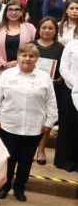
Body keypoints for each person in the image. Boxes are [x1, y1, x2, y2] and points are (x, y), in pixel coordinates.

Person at [0, 44, 57, 201]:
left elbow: (51, 102)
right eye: (24, 55)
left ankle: (20, 188)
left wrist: (50, 121)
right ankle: (5, 186)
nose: (27, 59)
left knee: (25, 162)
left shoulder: (44, 77)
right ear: (18, 57)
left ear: (37, 59)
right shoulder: (7, 75)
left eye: (31, 56)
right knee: (8, 160)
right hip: (8, 126)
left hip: (34, 127)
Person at [0, 0, 37, 93]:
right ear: (5, 12)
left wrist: (17, 62)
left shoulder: (30, 28)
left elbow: (35, 49)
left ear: (21, 12)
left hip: (22, 71)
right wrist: (4, 64)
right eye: (10, 9)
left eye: (17, 10)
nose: (13, 12)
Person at [33, 17, 65, 165]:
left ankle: (41, 150)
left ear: (55, 31)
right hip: (30, 88)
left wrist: (60, 78)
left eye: (50, 28)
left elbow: (64, 68)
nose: (46, 30)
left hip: (51, 89)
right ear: (38, 29)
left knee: (46, 120)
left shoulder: (60, 48)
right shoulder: (30, 46)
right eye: (43, 27)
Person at [57, 34, 78, 171]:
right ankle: (66, 160)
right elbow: (63, 67)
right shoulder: (72, 44)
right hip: (70, 88)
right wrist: (76, 82)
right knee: (68, 124)